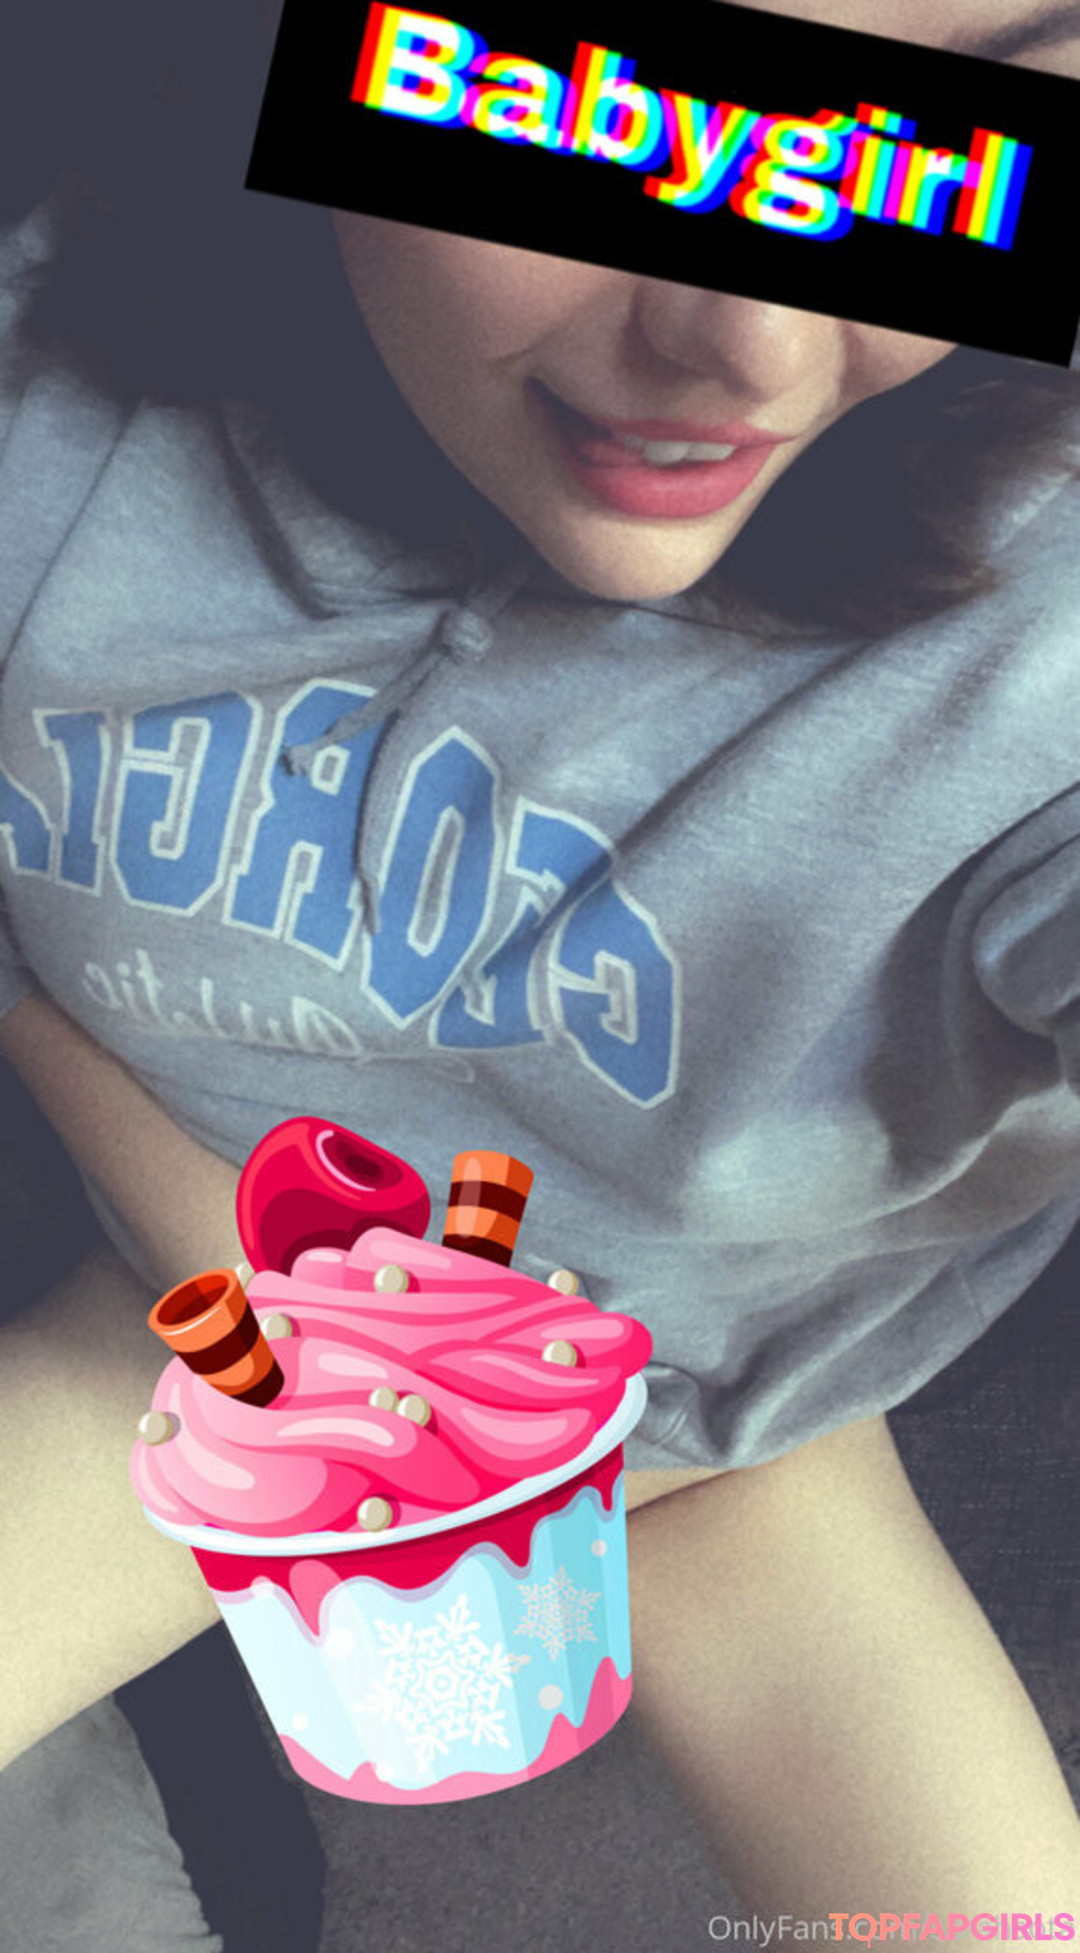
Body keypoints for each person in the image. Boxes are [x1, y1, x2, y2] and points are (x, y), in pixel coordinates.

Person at [1, 0, 1079, 1943]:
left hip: (736, 1412)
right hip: (204, 1307)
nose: (754, 343)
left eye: (960, 130)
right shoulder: (53, 361)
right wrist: (285, 1301)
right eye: (590, 105)